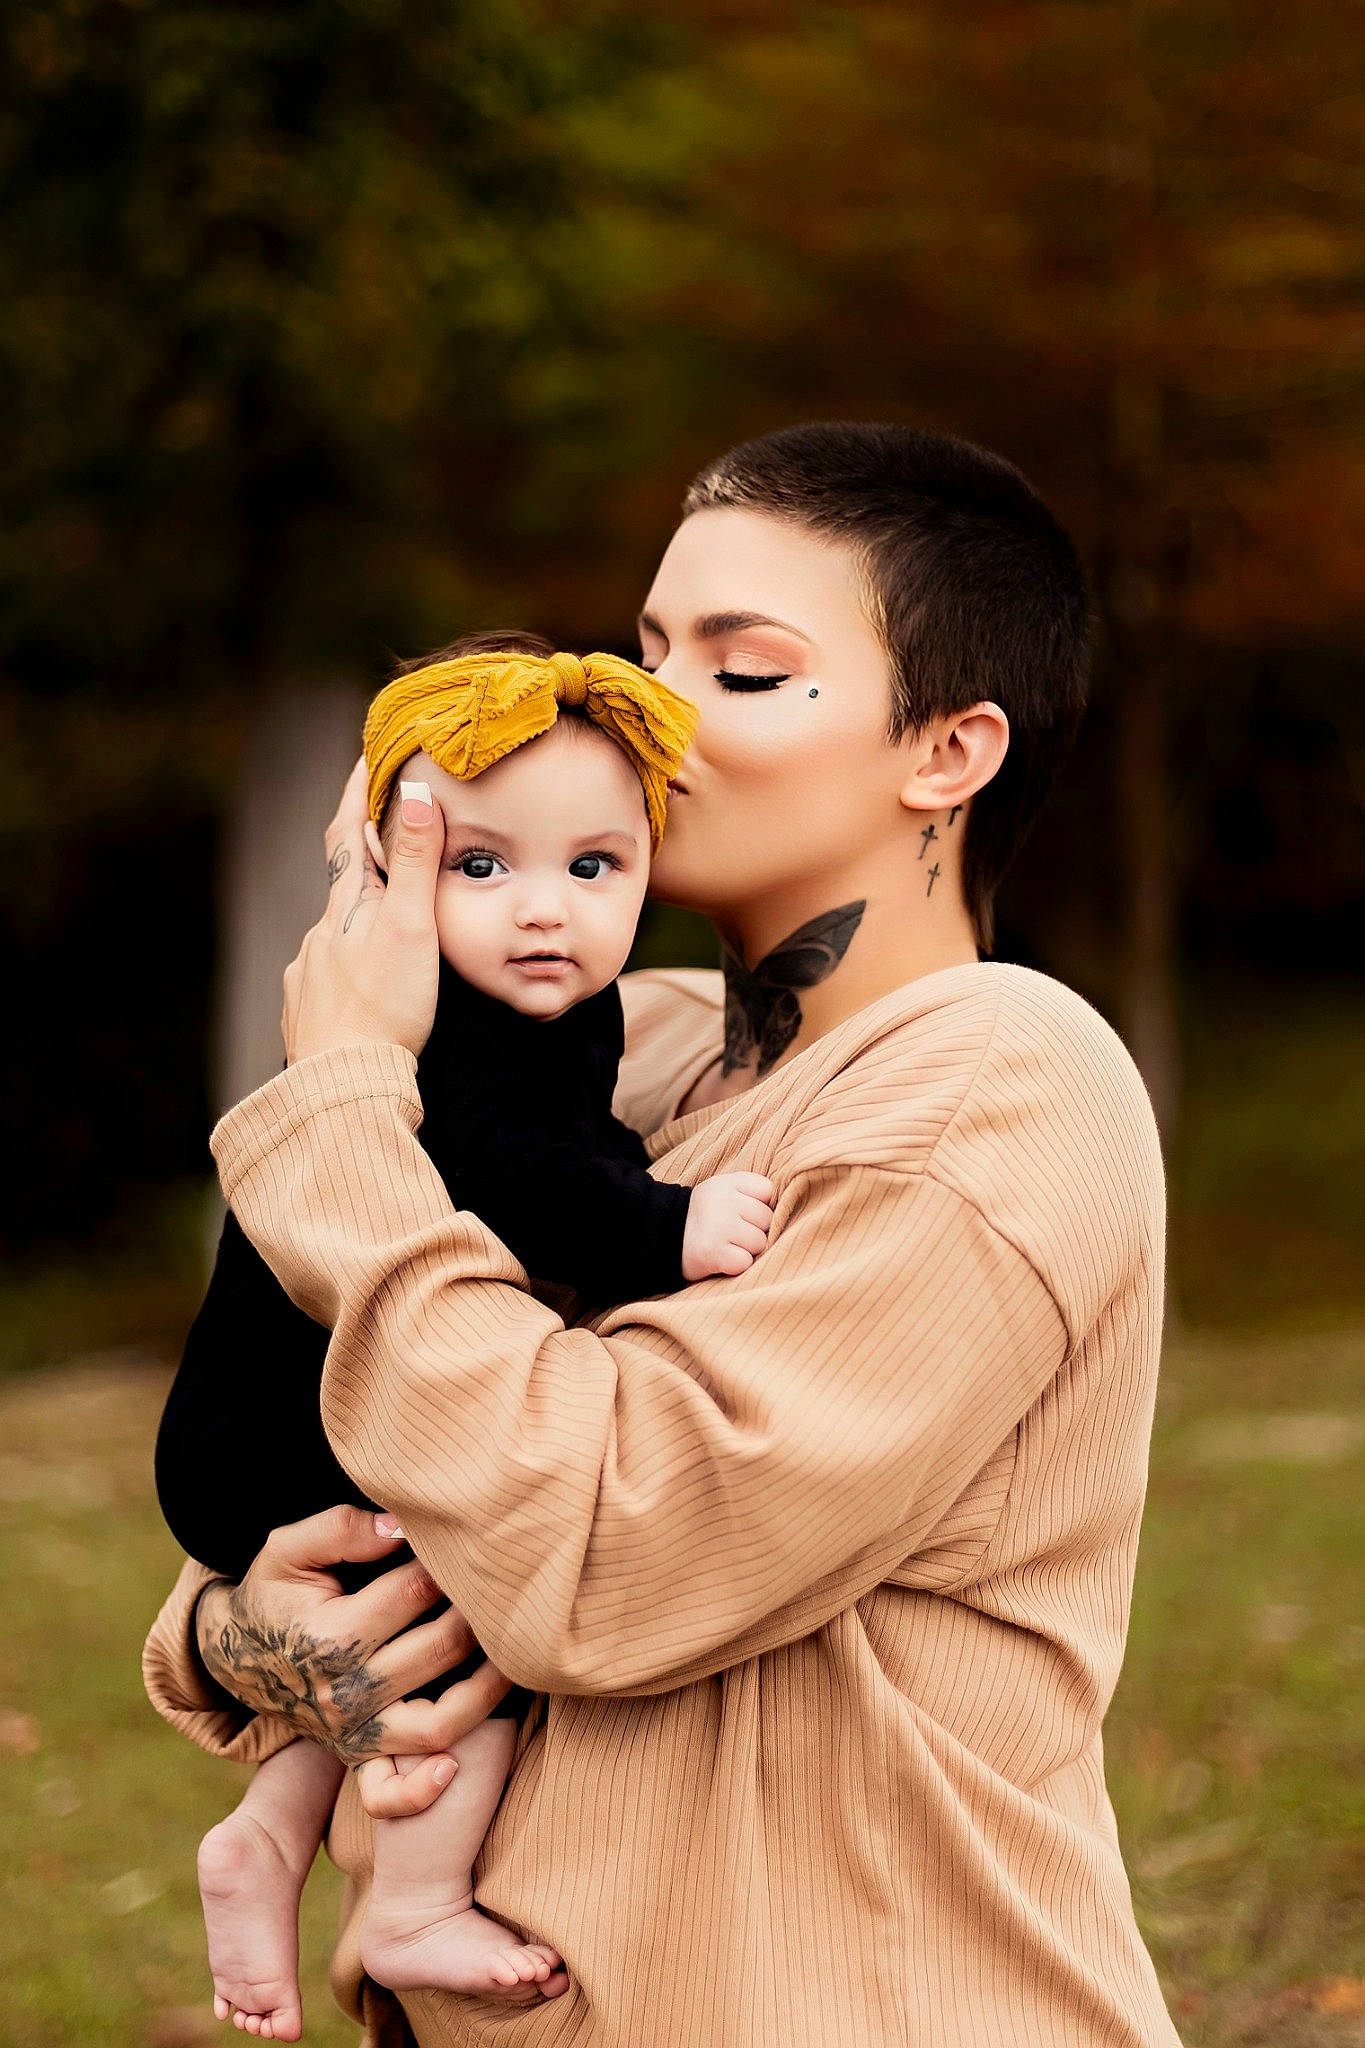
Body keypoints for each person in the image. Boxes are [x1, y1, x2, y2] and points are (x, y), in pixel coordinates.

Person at [143, 422, 1183, 2047]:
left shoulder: (997, 1082)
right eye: (644, 650)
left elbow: (602, 1556)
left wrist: (345, 1100)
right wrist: (234, 1630)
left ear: (946, 752)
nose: (650, 712)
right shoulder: (620, 1054)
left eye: (741, 669)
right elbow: (377, 1449)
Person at [154, 635, 778, 2036]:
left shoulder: (566, 1009)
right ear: (389, 874)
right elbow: (511, 1176)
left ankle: (269, 1833)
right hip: (279, 1428)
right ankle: (417, 1901)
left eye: (593, 866)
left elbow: (555, 1147)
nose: (541, 911)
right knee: (474, 1594)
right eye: (478, 866)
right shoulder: (450, 1025)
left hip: (277, 1423)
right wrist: (663, 1226)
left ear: (649, 866)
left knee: (404, 1610)